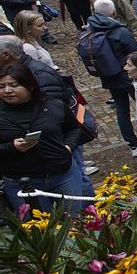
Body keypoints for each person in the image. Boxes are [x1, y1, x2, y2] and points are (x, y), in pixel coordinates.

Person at [0, 61, 86, 213]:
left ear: (30, 86)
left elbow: (73, 128)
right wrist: (11, 147)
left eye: (13, 85)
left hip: (63, 175)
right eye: (1, 87)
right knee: (40, 232)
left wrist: (68, 146)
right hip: (21, 182)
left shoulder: (53, 105)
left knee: (74, 223)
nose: (7, 90)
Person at [83, 0, 137, 156]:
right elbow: (136, 51)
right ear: (113, 11)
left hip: (109, 75)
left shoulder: (90, 29)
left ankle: (133, 145)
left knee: (121, 109)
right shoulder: (119, 30)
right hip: (127, 74)